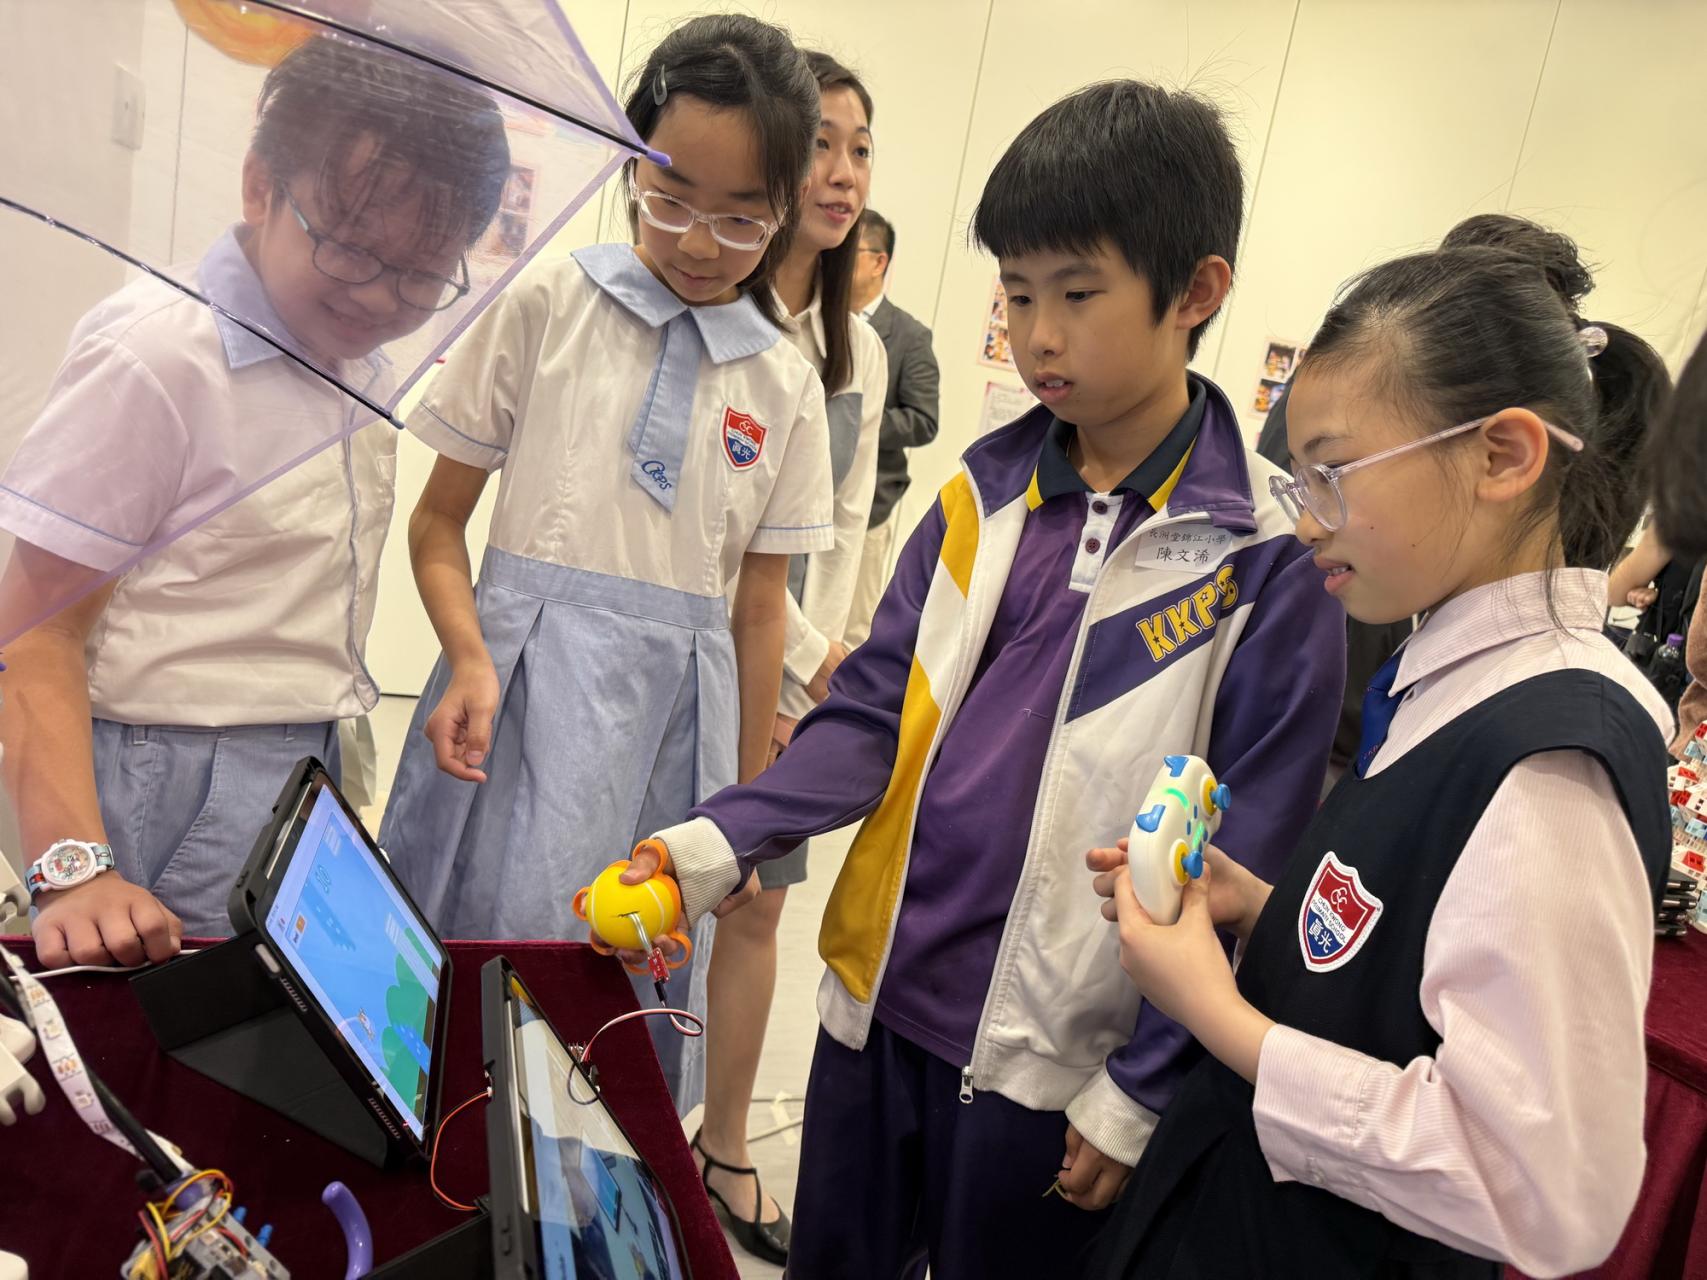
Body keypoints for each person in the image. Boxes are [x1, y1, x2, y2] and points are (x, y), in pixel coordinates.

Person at [621, 80, 1345, 1277]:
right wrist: (718, 837)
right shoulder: (979, 495)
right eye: (1016, 293)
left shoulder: (1264, 558)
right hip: (880, 1006)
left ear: (1196, 292)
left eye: (1077, 293)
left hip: (1060, 1058)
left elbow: (1249, 855)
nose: (1038, 334)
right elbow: (869, 715)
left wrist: (1139, 1088)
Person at [1088, 221, 1675, 1278]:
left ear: (1502, 455)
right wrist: (1267, 908)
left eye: (1332, 473)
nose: (1306, 522)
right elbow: (1425, 951)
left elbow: (1543, 1187)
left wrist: (1215, 1010)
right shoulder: (1448, 673)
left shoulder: (1549, 760)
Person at [376, 14, 833, 1111]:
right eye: (669, 198)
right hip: (518, 693)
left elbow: (760, 609)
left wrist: (740, 817)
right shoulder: (546, 306)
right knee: (488, 948)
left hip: (674, 725)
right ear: (631, 163)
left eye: (740, 219)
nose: (697, 243)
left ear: (786, 211)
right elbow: (437, 524)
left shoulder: (784, 385)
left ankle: (586, 1184)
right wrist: (470, 656)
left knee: (619, 996)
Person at [2, 36, 510, 963]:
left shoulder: (356, 362)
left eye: (422, 273)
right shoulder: (160, 358)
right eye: (350, 249)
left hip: (297, 758)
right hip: (166, 772)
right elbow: (33, 632)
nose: (378, 299)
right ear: (259, 186)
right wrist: (74, 871)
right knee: (169, 1023)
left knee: (266, 1020)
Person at [690, 49, 886, 1266]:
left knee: (757, 908)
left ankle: (722, 1145)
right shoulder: (717, 309)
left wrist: (828, 677)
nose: (843, 171)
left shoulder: (852, 341)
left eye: (861, 148)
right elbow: (719, 552)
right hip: (720, 650)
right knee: (680, 884)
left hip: (798, 667)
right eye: (820, 143)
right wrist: (810, 667)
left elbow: (841, 531)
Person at [844, 208, 940, 648]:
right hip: (806, 498)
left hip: (869, 507)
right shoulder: (818, 318)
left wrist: (857, 423)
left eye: (851, 250)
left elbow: (924, 420)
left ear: (878, 262)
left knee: (852, 629)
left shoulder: (908, 335)